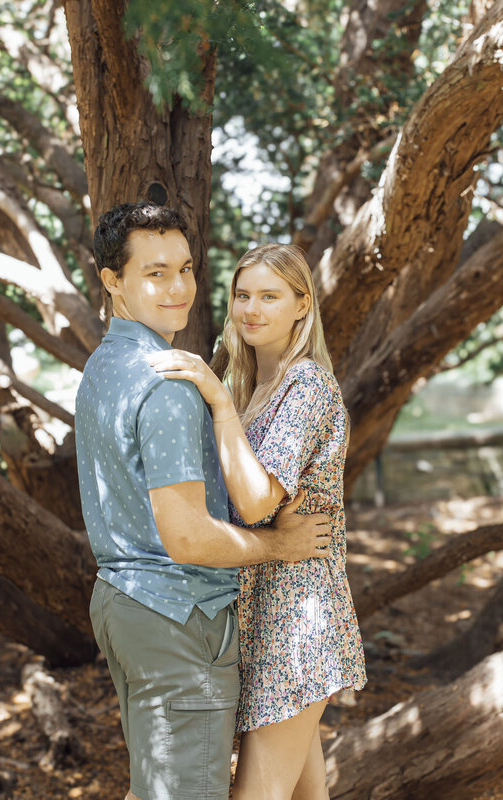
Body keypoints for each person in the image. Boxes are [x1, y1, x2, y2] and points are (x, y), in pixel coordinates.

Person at [74, 202, 332, 800]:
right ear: (113, 281)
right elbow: (187, 537)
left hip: (130, 606)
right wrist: (281, 545)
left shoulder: (104, 365)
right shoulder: (168, 385)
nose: (178, 288)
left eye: (185, 269)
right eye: (155, 272)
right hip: (178, 614)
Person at [147, 243, 366, 800]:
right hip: (258, 616)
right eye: (243, 294)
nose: (252, 309)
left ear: (302, 305)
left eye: (270, 296)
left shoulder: (307, 387)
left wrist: (218, 402)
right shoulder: (253, 389)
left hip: (298, 622)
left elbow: (256, 504)